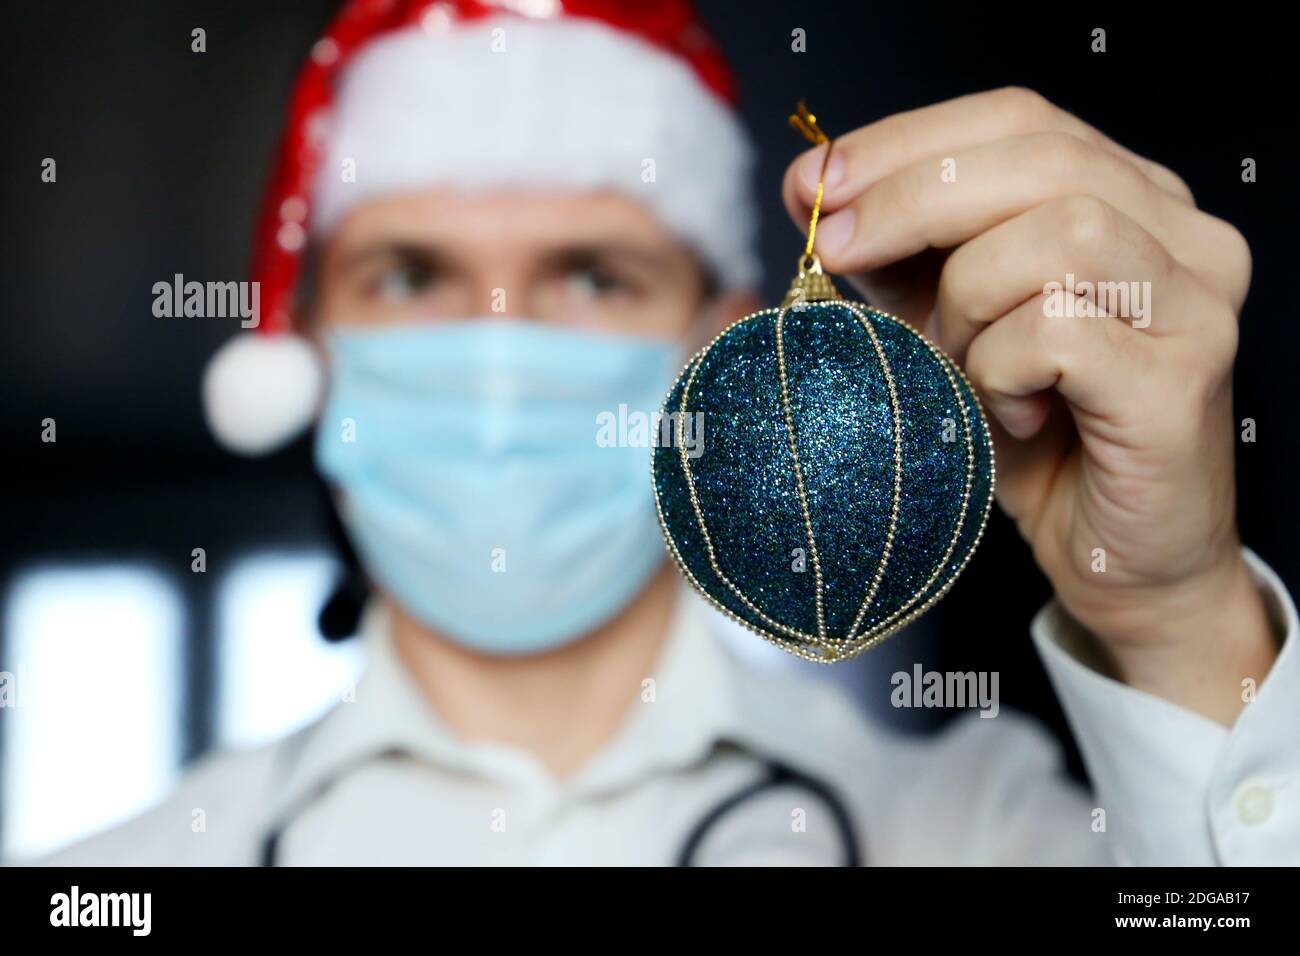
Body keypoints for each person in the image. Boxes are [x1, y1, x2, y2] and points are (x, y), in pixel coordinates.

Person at [45, 0, 1295, 866]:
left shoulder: (977, 827)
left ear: (718, 348)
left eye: (591, 275)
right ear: (308, 346)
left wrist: (1174, 619)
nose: (498, 352)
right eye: (414, 275)